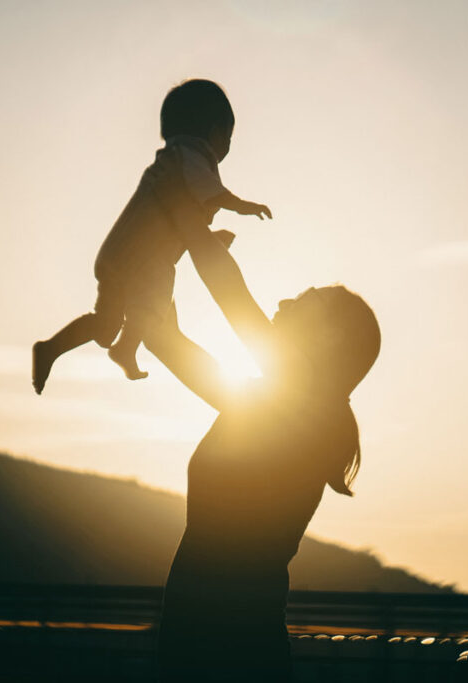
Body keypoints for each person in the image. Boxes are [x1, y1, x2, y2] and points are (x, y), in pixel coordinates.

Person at [143, 209, 380, 682]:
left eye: (304, 302)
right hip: (208, 644)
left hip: (224, 649)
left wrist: (190, 231)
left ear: (325, 342)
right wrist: (161, 285)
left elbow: (234, 301)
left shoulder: (302, 409)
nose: (286, 301)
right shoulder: (271, 406)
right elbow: (173, 348)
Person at [32, 79, 271, 394]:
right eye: (229, 136)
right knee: (154, 304)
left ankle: (51, 348)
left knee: (104, 326)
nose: (228, 145)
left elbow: (175, 221)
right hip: (144, 262)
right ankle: (127, 347)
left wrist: (211, 240)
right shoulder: (191, 155)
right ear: (215, 131)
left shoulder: (172, 161)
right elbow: (207, 195)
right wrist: (242, 205)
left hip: (120, 253)